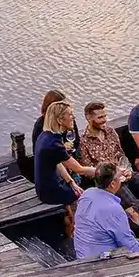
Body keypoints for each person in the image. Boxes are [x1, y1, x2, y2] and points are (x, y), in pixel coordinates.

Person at [82, 101, 139, 231]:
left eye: (105, 116)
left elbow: (121, 155)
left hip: (124, 174)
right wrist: (114, 174)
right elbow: (89, 171)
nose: (104, 120)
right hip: (110, 182)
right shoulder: (83, 142)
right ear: (88, 118)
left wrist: (128, 170)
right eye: (100, 117)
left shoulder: (110, 132)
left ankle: (137, 208)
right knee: (137, 203)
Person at [73, 163, 139, 272]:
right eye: (120, 177)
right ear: (113, 184)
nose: (122, 180)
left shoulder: (87, 194)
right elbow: (131, 247)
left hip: (82, 255)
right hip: (102, 262)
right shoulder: (113, 208)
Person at [34, 101, 100, 236]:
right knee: (88, 198)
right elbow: (80, 169)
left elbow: (57, 163)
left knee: (78, 189)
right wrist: (107, 171)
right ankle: (79, 233)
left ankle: (74, 228)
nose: (73, 118)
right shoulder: (54, 144)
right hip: (52, 191)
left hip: (44, 188)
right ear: (59, 119)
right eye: (70, 115)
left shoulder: (45, 136)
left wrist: (71, 182)